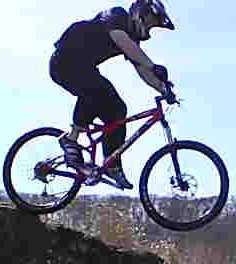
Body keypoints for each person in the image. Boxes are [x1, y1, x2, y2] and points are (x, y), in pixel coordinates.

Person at [49, 0, 175, 190]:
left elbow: (141, 67)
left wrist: (163, 89)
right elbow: (120, 39)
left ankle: (112, 164)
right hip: (64, 61)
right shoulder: (117, 15)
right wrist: (152, 65)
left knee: (117, 109)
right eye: (150, 22)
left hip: (85, 68)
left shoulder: (133, 41)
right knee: (97, 88)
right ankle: (71, 139)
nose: (150, 27)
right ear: (140, 13)